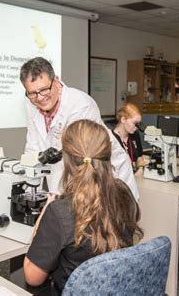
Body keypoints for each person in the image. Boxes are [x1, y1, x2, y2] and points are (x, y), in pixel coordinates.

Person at [23, 119, 143, 295]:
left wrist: (43, 217)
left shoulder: (59, 211)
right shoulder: (125, 194)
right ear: (108, 155)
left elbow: (32, 278)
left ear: (67, 160)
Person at [20, 57, 138, 200]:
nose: (39, 98)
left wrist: (58, 202)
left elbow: (77, 160)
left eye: (44, 90)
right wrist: (30, 190)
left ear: (56, 81)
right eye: (32, 93)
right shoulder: (31, 105)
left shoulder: (80, 106)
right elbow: (33, 148)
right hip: (68, 180)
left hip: (106, 178)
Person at [112, 103, 146, 177]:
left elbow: (140, 158)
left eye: (138, 124)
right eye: (135, 123)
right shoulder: (111, 138)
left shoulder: (135, 135)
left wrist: (140, 169)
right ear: (123, 119)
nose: (137, 127)